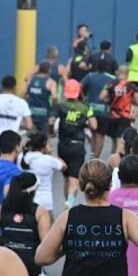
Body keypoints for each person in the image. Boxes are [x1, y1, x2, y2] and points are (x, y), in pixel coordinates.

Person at [52, 79, 97, 208]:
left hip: (63, 146)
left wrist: (51, 132)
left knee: (66, 178)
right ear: (78, 92)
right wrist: (85, 123)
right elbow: (94, 125)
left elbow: (51, 121)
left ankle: (67, 203)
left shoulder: (60, 106)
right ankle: (70, 201)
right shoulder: (86, 107)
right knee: (74, 179)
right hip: (77, 145)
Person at [0, 75, 33, 159]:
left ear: (1, 86)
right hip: (12, 143)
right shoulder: (22, 103)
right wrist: (18, 124)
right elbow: (29, 125)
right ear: (15, 87)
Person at [21, 133, 66, 214]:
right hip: (44, 202)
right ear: (44, 145)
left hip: (26, 202)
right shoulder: (48, 159)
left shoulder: (22, 158)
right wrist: (50, 153)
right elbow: (64, 166)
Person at [79, 58, 115, 159]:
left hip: (91, 110)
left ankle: (92, 154)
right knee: (100, 136)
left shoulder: (90, 76)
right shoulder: (111, 78)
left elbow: (79, 85)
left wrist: (83, 97)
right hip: (104, 111)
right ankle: (95, 157)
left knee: (93, 133)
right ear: (107, 67)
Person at [104, 66, 138, 157]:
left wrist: (109, 101)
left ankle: (111, 162)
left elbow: (102, 97)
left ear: (118, 72)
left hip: (112, 116)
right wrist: (130, 100)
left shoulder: (111, 83)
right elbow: (137, 101)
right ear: (128, 74)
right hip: (124, 117)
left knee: (114, 142)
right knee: (120, 142)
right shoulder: (131, 86)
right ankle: (116, 161)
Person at [26, 61, 57, 137]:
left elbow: (23, 93)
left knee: (31, 137)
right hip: (44, 114)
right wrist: (53, 108)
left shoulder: (31, 80)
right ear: (49, 70)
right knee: (44, 139)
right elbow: (54, 97)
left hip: (31, 112)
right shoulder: (51, 82)